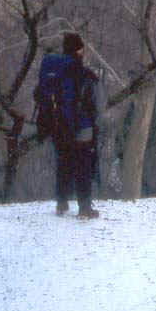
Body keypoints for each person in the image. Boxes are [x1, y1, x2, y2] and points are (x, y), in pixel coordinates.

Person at [49, 32, 100, 218]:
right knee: (83, 166)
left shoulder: (56, 69)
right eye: (81, 48)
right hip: (81, 126)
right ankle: (84, 208)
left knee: (64, 163)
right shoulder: (81, 72)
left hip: (59, 125)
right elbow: (91, 102)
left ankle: (61, 204)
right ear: (78, 50)